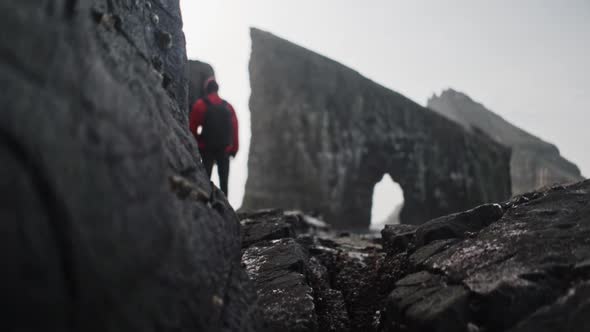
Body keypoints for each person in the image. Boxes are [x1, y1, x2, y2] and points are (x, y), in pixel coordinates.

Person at [189, 77, 239, 196]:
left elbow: (192, 128)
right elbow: (235, 129)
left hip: (207, 148)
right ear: (217, 89)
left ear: (206, 89)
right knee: (224, 182)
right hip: (224, 148)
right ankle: (225, 209)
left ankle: (207, 206)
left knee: (205, 180)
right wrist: (234, 148)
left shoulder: (200, 105)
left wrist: (198, 143)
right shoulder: (228, 106)